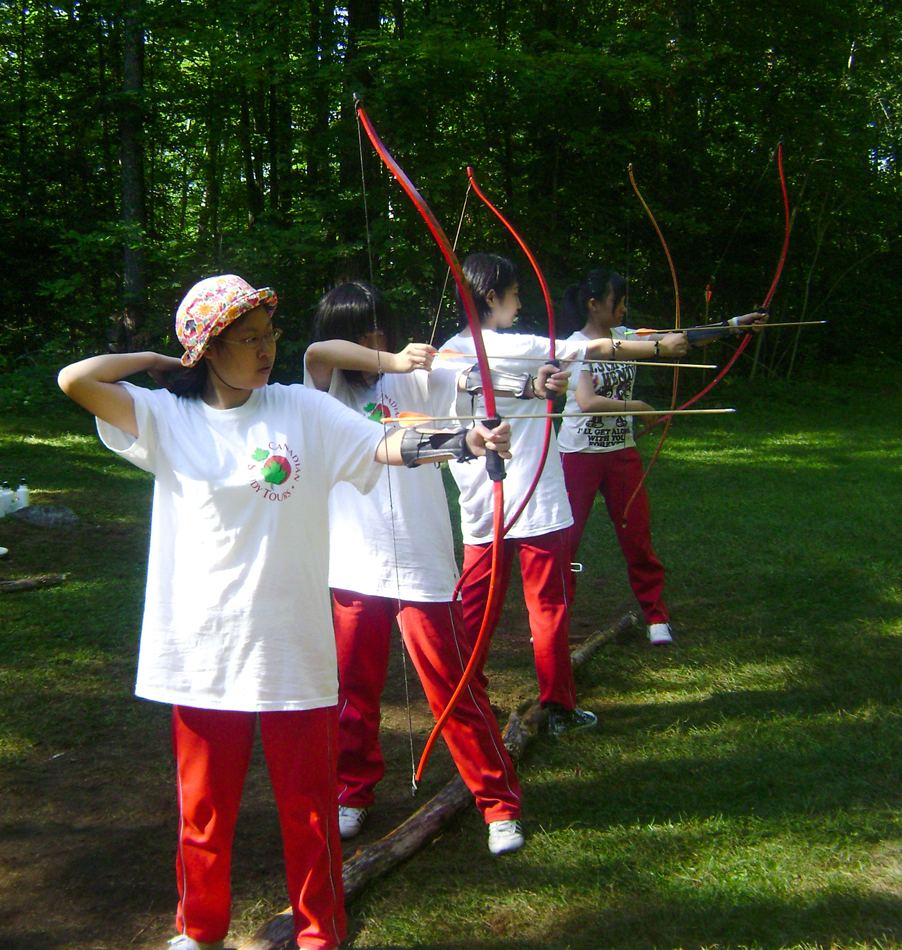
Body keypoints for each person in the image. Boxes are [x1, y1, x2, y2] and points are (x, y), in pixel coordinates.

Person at [56, 274, 511, 950]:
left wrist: (463, 442)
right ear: (208, 349)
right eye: (248, 339)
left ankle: (320, 933)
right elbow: (77, 379)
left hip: (291, 646)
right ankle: (199, 928)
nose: (266, 349)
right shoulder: (166, 417)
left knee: (308, 810)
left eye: (269, 335)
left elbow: (382, 444)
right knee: (204, 810)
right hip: (200, 649)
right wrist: (158, 362)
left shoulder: (300, 409)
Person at [305, 280, 533, 856]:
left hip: (422, 561)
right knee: (354, 693)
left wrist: (522, 396)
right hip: (353, 565)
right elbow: (317, 355)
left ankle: (498, 804)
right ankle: (352, 793)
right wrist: (387, 357)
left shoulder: (419, 375)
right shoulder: (323, 391)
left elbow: (475, 382)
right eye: (362, 332)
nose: (375, 338)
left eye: (381, 327)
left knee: (452, 689)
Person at [441, 253, 689, 736]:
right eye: (514, 294)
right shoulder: (522, 345)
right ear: (492, 297)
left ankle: (463, 702)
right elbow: (592, 350)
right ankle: (558, 708)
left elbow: (536, 376)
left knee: (475, 611)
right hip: (534, 504)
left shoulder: (446, 353)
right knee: (548, 606)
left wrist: (540, 384)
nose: (519, 303)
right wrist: (662, 346)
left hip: (483, 508)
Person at [558, 267, 766, 644]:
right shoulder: (574, 346)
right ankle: (553, 622)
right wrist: (634, 405)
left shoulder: (626, 338)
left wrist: (734, 326)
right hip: (579, 455)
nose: (623, 309)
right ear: (593, 305)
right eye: (616, 302)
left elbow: (679, 339)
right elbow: (586, 402)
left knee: (637, 537)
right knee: (566, 542)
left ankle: (656, 616)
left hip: (622, 453)